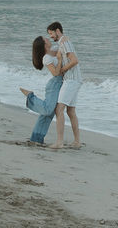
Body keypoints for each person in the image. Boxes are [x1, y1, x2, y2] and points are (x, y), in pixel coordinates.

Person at [19, 36, 63, 145]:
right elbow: (55, 73)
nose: (49, 39)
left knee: (48, 113)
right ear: (44, 44)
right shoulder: (46, 57)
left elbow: (63, 48)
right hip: (55, 85)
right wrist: (61, 58)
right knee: (48, 110)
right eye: (46, 39)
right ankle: (30, 97)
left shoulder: (53, 51)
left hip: (60, 84)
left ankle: (36, 138)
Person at [47, 21, 82, 149]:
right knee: (71, 111)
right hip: (75, 79)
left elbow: (74, 60)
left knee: (59, 109)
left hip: (71, 80)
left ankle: (59, 142)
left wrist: (62, 70)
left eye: (51, 33)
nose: (51, 36)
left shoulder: (64, 42)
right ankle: (77, 142)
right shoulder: (63, 42)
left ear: (57, 30)